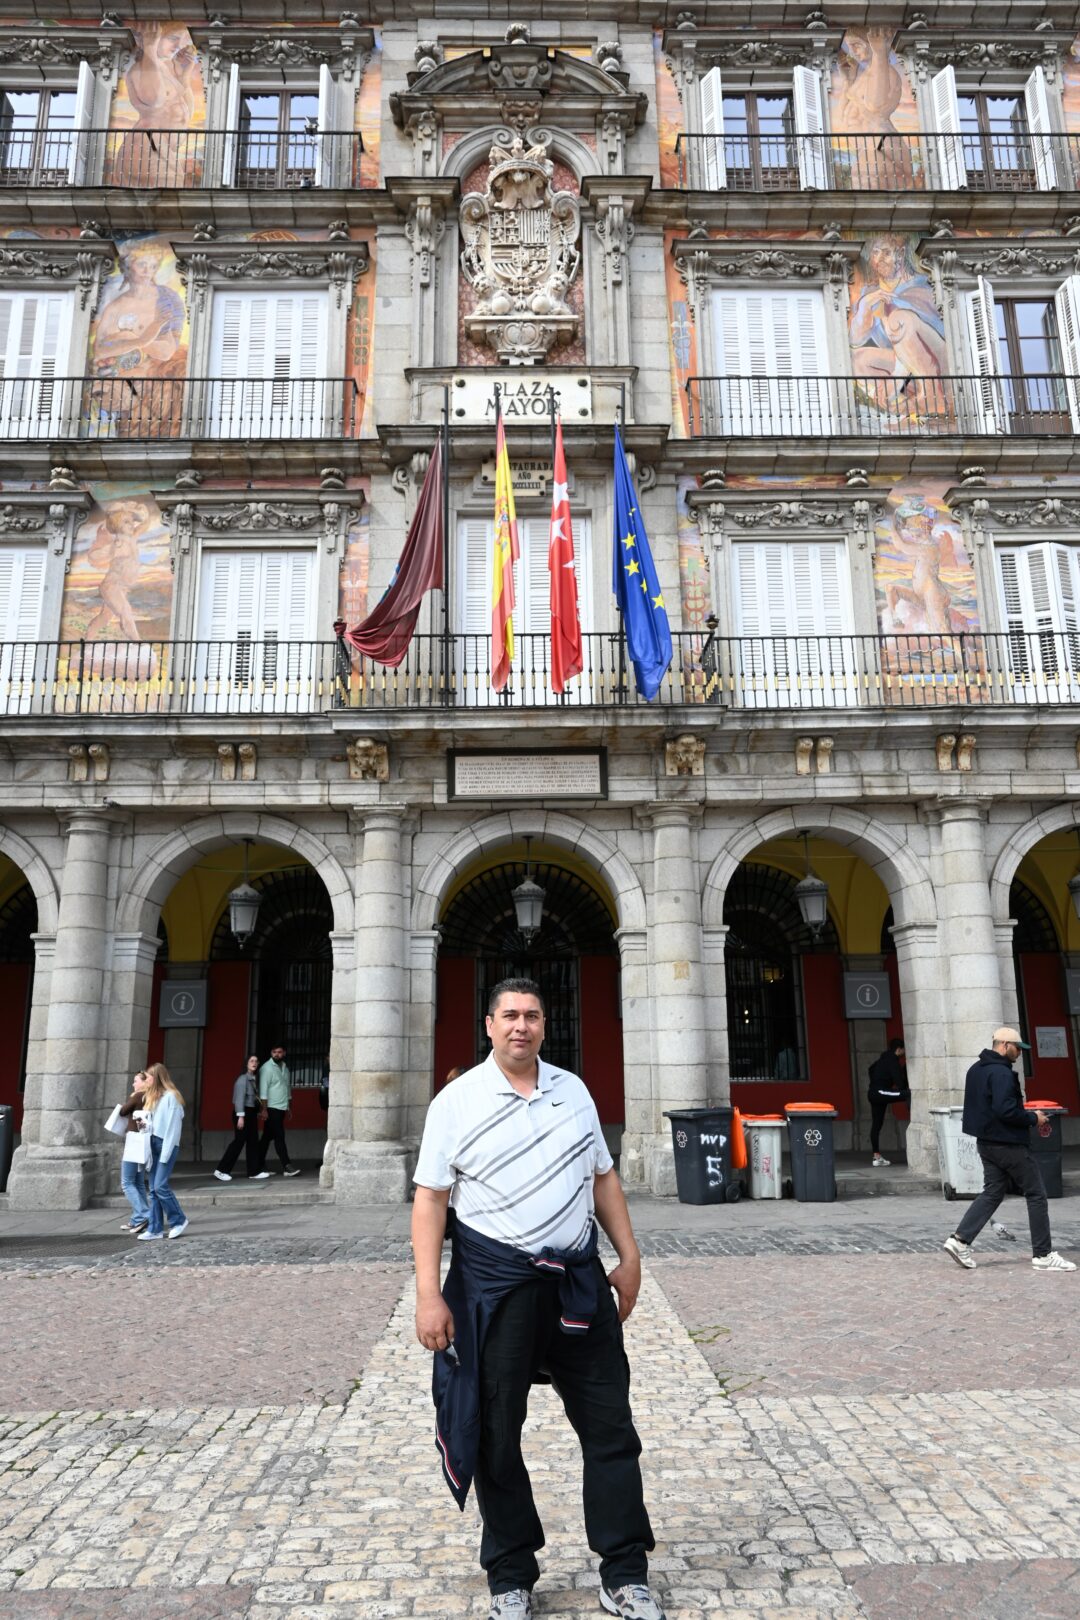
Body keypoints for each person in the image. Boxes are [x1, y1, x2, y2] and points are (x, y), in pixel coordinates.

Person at [412, 977, 663, 1620]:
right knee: (497, 1433)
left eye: (532, 1015)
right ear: (489, 1026)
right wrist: (428, 1294)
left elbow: (602, 1177)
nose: (521, 1025)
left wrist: (629, 1256)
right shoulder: (456, 1101)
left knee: (611, 1428)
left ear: (545, 1026)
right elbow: (431, 1200)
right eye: (509, 1016)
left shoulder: (571, 1090)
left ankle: (624, 1572)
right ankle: (511, 1574)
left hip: (578, 1281)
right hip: (497, 1286)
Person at [944, 1027, 1076, 1273]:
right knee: (1037, 1194)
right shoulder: (1001, 1073)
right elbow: (1006, 1110)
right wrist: (1032, 1118)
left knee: (993, 1192)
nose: (1018, 1053)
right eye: (1016, 1048)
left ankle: (959, 1240)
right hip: (1009, 1144)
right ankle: (1043, 1254)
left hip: (986, 1142)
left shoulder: (975, 1069)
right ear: (1004, 1045)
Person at [138, 1061, 188, 1241]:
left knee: (160, 1186)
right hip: (153, 1144)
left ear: (157, 1077)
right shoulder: (153, 1097)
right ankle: (155, 1229)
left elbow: (173, 1129)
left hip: (165, 1144)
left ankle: (178, 1220)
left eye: (148, 1077)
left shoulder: (171, 1097)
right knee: (153, 1189)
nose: (146, 1080)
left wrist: (166, 1153)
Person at [214, 1055, 270, 1182]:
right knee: (239, 1142)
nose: (254, 1063)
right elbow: (239, 1099)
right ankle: (221, 1170)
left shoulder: (254, 1079)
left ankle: (254, 1171)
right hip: (242, 1113)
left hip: (250, 1113)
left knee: (253, 1142)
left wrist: (259, 1111)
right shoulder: (242, 1079)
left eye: (256, 1061)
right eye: (251, 1061)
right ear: (246, 1064)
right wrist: (241, 1117)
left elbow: (253, 1100)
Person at [257, 1043, 301, 1177]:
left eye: (279, 1052)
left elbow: (287, 1089)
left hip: (282, 1107)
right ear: (271, 1053)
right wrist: (264, 1109)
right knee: (279, 1136)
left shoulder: (285, 1068)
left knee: (266, 1137)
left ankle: (258, 1166)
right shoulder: (266, 1068)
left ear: (284, 1053)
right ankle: (287, 1166)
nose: (277, 1054)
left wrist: (289, 1107)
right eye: (274, 1052)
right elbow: (263, 1090)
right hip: (271, 1108)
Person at [117, 1069, 151, 1233]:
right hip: (144, 1141)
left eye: (136, 1080)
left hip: (134, 1141)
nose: (133, 1083)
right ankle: (137, 1219)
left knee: (127, 1182)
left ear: (144, 1082)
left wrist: (132, 1096)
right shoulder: (151, 1096)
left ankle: (145, 1214)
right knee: (138, 1182)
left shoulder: (138, 1096)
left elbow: (123, 1111)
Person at [867, 1037, 908, 1167]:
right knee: (909, 1094)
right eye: (903, 1050)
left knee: (877, 1124)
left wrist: (876, 1081)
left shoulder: (882, 1059)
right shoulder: (892, 1060)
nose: (904, 1053)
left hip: (874, 1093)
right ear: (899, 1049)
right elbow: (900, 1083)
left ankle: (876, 1157)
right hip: (880, 1092)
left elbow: (870, 1069)